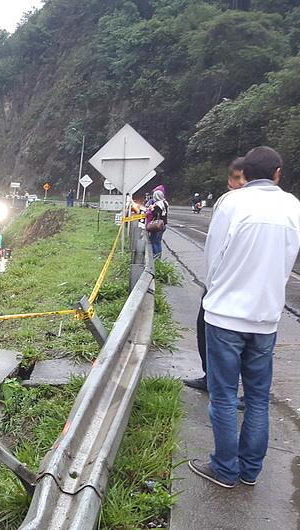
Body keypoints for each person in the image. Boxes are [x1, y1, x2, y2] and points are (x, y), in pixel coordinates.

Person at [189, 146, 300, 489]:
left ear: (245, 174)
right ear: (278, 173)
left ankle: (225, 467)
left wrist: (219, 292)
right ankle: (250, 470)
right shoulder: (293, 206)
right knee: (257, 398)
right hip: (266, 318)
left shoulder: (231, 203)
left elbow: (213, 257)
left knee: (223, 397)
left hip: (225, 317)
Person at [184, 157, 246, 392]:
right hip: (222, 284)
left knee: (238, 345)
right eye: (237, 178)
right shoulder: (228, 202)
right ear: (230, 180)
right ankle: (210, 376)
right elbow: (214, 246)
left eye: (244, 178)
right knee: (204, 329)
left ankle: (228, 388)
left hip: (243, 290)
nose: (240, 183)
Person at [147, 189, 168, 259]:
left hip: (157, 225)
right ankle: (159, 257)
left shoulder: (157, 204)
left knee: (154, 241)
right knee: (158, 242)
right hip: (163, 224)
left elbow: (156, 214)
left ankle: (156, 257)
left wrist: (152, 209)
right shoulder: (165, 203)